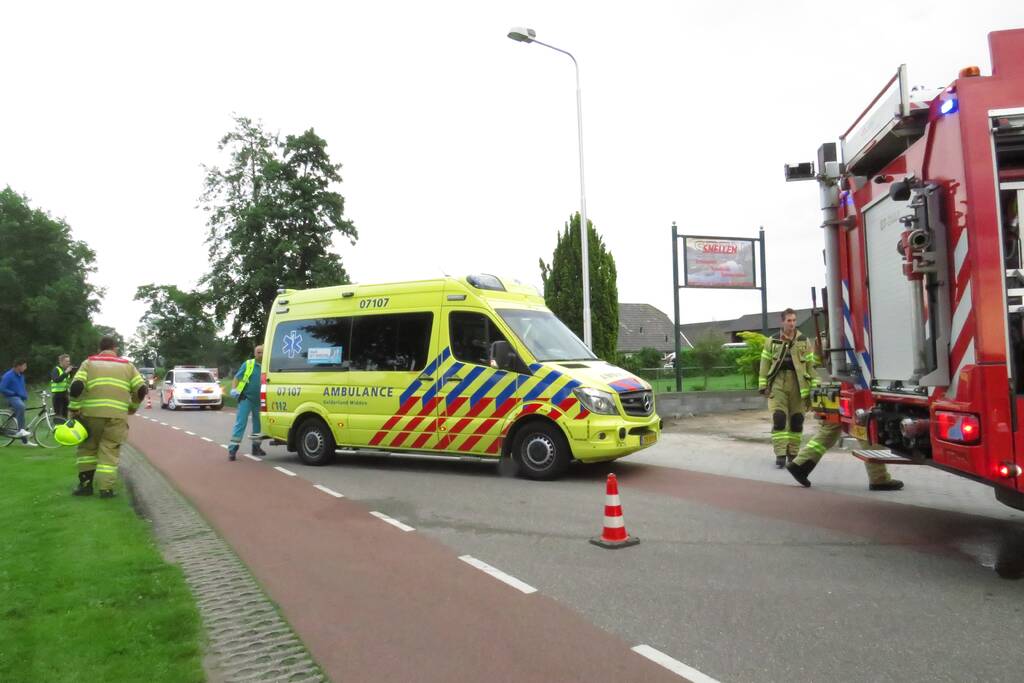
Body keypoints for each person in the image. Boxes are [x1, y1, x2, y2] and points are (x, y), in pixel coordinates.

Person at [68, 337, 146, 498]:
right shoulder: (128, 366)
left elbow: (76, 387)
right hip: (116, 417)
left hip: (90, 415)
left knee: (87, 449)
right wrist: (132, 407)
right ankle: (106, 490)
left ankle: (85, 486)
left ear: (100, 349)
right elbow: (141, 390)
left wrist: (74, 408)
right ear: (115, 348)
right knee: (110, 451)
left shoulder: (88, 363)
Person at [758, 309, 818, 468]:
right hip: (778, 384)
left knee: (797, 420)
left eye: (794, 320)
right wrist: (763, 386)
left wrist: (814, 388)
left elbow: (810, 366)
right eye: (789, 320)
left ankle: (793, 454)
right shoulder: (772, 341)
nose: (792, 324)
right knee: (779, 418)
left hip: (799, 385)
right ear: (782, 322)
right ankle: (780, 455)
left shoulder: (804, 341)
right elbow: (764, 365)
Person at [786, 416, 904, 491]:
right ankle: (879, 478)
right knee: (867, 430)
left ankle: (799, 465)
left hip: (836, 394)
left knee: (830, 430)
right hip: (852, 392)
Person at [227, 345, 266, 461]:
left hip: (260, 399)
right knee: (241, 423)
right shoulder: (248, 364)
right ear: (255, 353)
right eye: (258, 352)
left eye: (262, 352)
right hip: (246, 398)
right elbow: (237, 377)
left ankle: (256, 447)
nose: (261, 354)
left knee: (258, 424)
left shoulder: (267, 365)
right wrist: (234, 389)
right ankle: (233, 449)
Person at [1, 359, 33, 445]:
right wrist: (14, 393)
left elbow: (21, 387)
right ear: (18, 366)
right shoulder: (8, 375)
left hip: (19, 398)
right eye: (24, 366)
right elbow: (2, 388)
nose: (25, 368)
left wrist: (24, 395)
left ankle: (25, 441)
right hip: (10, 397)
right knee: (21, 407)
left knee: (20, 417)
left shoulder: (21, 375)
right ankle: (21, 430)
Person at [50, 354, 75, 418]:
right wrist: (66, 372)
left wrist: (71, 372)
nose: (68, 363)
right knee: (58, 414)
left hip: (65, 394)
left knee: (65, 413)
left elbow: (68, 381)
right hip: (57, 395)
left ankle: (64, 424)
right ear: (61, 362)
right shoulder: (56, 369)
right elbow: (56, 380)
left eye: (69, 361)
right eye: (67, 361)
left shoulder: (66, 370)